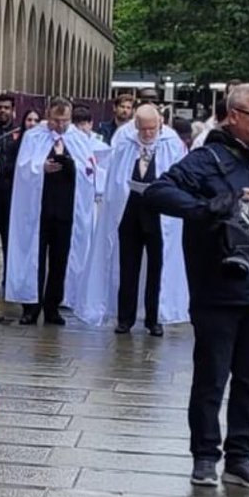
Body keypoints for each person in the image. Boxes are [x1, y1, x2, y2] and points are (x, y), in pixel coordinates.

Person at [145, 83, 249, 490]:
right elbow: (160, 192)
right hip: (219, 285)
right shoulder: (207, 158)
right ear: (234, 116)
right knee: (212, 376)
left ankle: (240, 456)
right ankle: (204, 456)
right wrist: (208, 209)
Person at [75, 104, 185, 333]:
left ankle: (154, 319)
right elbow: (115, 178)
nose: (147, 134)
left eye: (152, 129)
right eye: (143, 129)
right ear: (136, 126)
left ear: (160, 125)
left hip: (158, 214)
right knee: (128, 266)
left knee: (157, 267)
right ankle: (125, 318)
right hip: (130, 213)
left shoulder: (171, 144)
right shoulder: (125, 143)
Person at [6, 96, 98, 326]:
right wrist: (41, 167)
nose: (60, 126)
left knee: (60, 259)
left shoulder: (78, 137)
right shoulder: (34, 135)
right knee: (34, 257)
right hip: (39, 209)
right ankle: (31, 306)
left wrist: (72, 165)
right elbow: (23, 167)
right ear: (49, 115)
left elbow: (90, 170)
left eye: (65, 121)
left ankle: (53, 305)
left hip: (67, 209)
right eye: (56, 121)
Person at [0, 109, 40, 278]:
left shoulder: (43, 145)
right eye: (29, 120)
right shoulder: (14, 145)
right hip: (9, 198)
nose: (32, 124)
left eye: (36, 120)